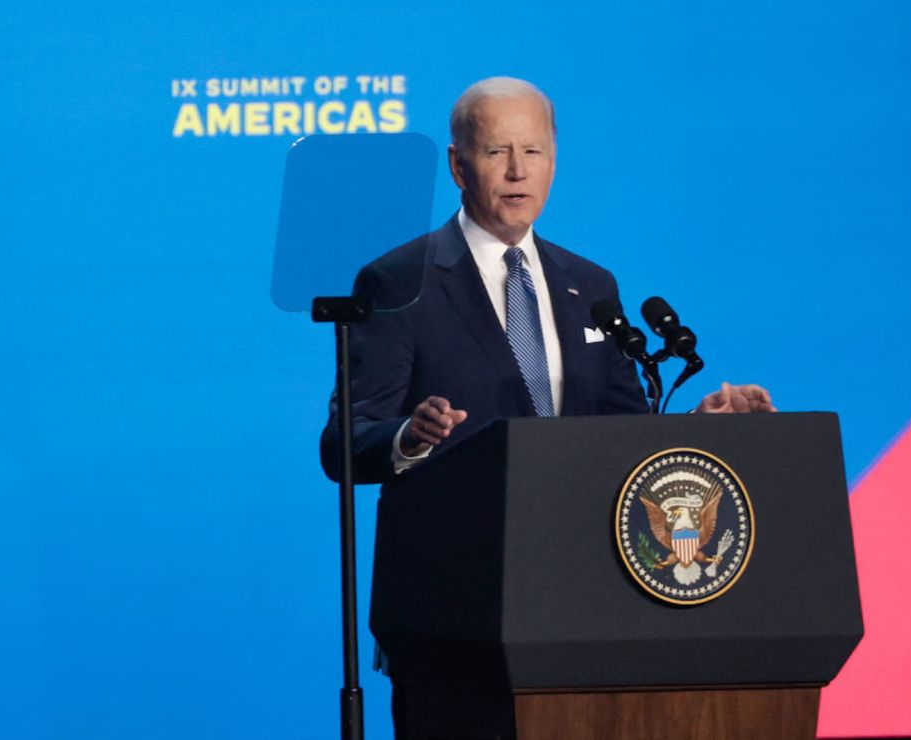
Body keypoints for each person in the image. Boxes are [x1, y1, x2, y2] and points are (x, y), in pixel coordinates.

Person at [320, 77, 774, 485]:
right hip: (456, 558)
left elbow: (627, 432)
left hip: (579, 552)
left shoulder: (591, 284)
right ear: (459, 167)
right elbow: (343, 445)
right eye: (497, 151)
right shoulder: (398, 281)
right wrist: (409, 438)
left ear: (552, 164)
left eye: (532, 151)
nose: (517, 170)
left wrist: (701, 424)